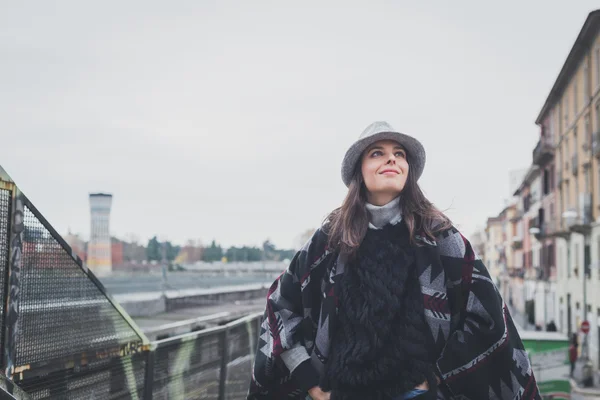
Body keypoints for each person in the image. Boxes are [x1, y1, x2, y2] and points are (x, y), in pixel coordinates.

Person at [247, 121, 540, 400]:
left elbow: (487, 315)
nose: (392, 160)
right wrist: (310, 380)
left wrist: (438, 376)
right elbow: (280, 307)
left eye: (399, 154)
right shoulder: (331, 238)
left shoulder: (438, 235)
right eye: (378, 153)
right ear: (358, 171)